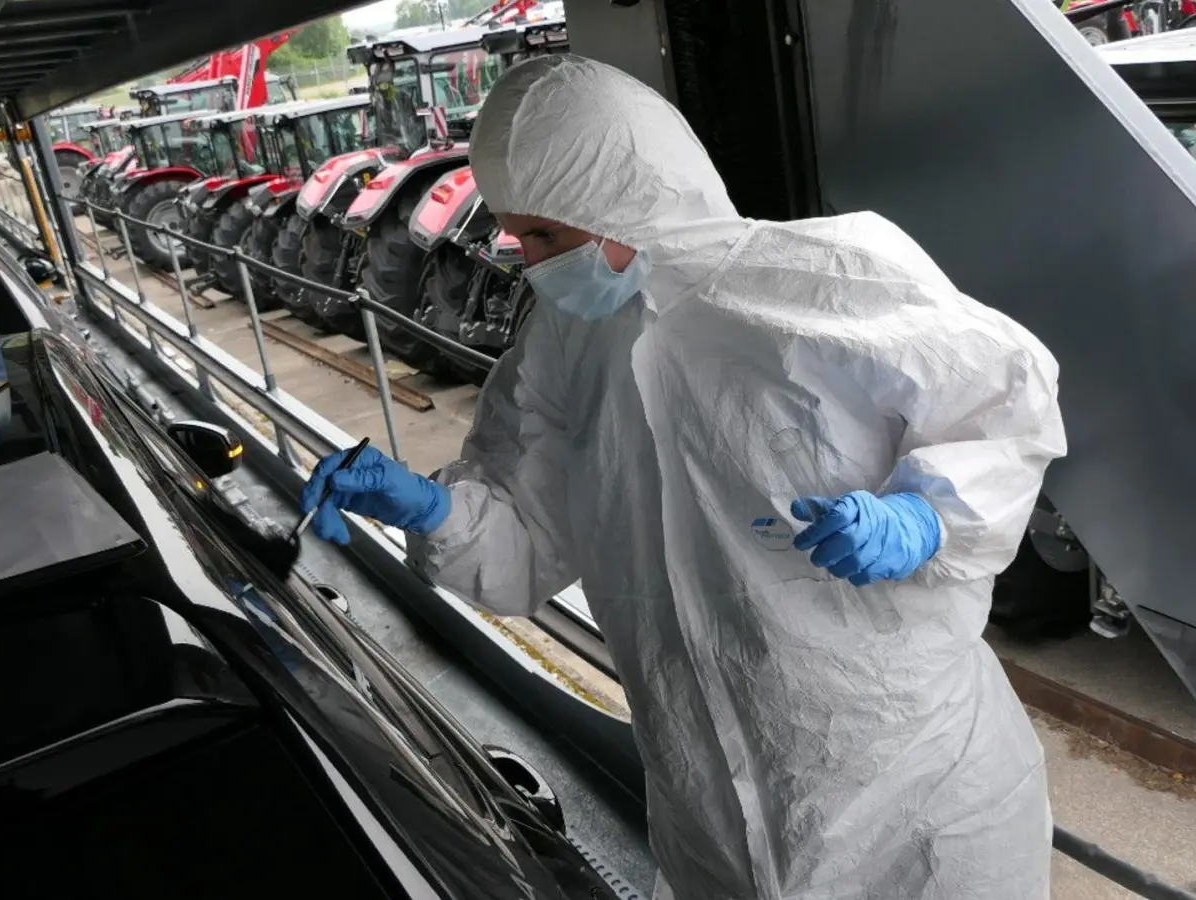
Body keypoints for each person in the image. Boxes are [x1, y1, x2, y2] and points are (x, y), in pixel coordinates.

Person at [302, 55, 1066, 900]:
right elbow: (528, 542)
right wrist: (433, 507)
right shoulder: (561, 348)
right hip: (707, 814)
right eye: (519, 236)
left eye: (547, 236)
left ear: (622, 200)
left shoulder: (827, 280)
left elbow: (1006, 404)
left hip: (914, 800)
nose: (529, 262)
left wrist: (926, 516)